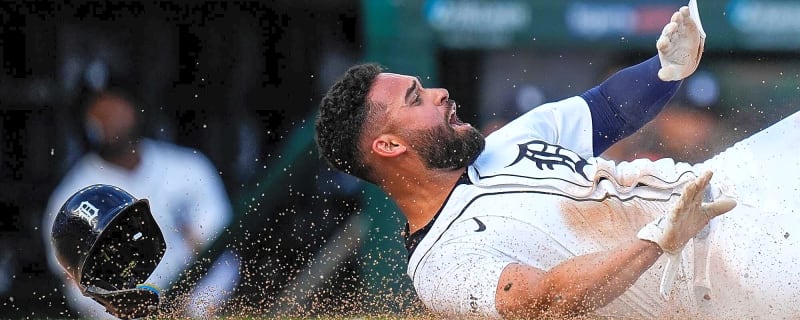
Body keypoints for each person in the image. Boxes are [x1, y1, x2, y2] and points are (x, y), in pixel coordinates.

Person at [315, 2, 800, 319]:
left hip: (733, 180)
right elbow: (544, 298)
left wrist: (668, 69)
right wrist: (655, 242)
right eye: (416, 99)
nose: (439, 93)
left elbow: (606, 109)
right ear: (389, 146)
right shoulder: (441, 264)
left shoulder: (503, 143)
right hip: (722, 274)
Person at [42, 88, 238, 319]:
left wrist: (199, 308)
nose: (110, 117)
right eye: (99, 110)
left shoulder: (188, 166)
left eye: (116, 105)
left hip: (199, 305)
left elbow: (219, 245)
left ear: (133, 108)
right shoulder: (71, 197)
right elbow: (75, 282)